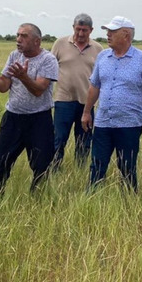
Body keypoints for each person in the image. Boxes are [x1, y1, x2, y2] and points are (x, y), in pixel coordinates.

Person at [0, 23, 58, 195]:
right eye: (17, 35)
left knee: (41, 165)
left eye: (24, 36)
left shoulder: (48, 60)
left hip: (39, 120)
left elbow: (38, 90)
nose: (18, 40)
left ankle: (37, 200)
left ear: (37, 41)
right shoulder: (14, 56)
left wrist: (24, 77)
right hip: (13, 118)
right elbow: (4, 85)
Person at [81, 16, 142, 193]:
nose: (108, 34)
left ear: (126, 35)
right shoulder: (103, 57)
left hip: (129, 124)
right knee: (97, 164)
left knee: (127, 167)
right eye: (107, 31)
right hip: (103, 122)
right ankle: (91, 198)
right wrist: (86, 112)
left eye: (112, 31)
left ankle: (129, 201)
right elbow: (94, 86)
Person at [50, 13, 103, 170]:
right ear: (73, 27)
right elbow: (50, 69)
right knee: (58, 139)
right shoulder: (60, 44)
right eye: (78, 29)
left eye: (84, 30)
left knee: (84, 141)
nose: (80, 34)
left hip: (87, 104)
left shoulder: (98, 49)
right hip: (63, 101)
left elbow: (101, 77)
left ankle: (80, 171)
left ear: (91, 30)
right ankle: (54, 170)